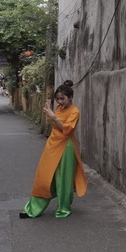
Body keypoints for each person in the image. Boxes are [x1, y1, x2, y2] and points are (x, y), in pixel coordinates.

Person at [19, 80, 88, 218]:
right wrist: (53, 115)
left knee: (64, 179)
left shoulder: (75, 111)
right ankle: (33, 208)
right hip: (52, 144)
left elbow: (67, 130)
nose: (60, 102)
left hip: (66, 147)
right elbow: (56, 125)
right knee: (44, 176)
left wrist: (53, 117)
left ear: (70, 97)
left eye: (63, 99)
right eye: (58, 99)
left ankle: (63, 209)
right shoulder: (57, 109)